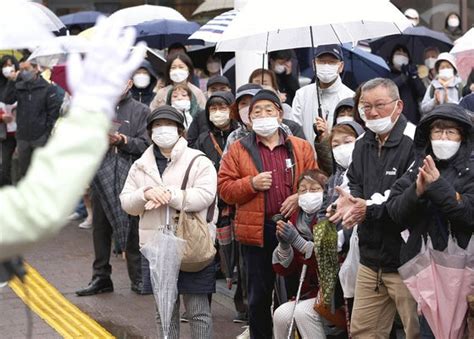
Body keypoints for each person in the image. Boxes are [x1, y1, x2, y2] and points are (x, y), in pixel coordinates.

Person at [0, 17, 146, 261]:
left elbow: (28, 210)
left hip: (123, 170)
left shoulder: (140, 109)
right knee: (101, 223)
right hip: (92, 164)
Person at [218, 89, 317, 338]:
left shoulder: (301, 147)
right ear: (249, 119)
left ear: (280, 115)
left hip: (294, 229)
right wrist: (250, 183)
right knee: (258, 296)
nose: (263, 115)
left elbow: (316, 182)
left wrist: (299, 196)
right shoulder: (238, 149)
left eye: (269, 110)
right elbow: (224, 189)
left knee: (296, 292)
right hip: (257, 231)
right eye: (257, 111)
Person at [328, 78, 419, 337]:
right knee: (363, 332)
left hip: (407, 260)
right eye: (365, 107)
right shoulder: (361, 142)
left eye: (380, 105)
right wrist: (346, 203)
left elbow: (403, 194)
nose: (373, 113)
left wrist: (364, 208)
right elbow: (353, 181)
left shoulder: (415, 142)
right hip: (369, 259)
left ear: (398, 105)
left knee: (418, 332)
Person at [120, 105, 217, 339]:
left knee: (197, 309)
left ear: (180, 130)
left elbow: (205, 195)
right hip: (156, 246)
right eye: (157, 125)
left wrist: (170, 195)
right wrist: (145, 194)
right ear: (150, 131)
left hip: (190, 243)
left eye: (169, 125)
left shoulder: (198, 160)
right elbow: (126, 202)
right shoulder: (140, 164)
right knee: (164, 310)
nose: (163, 130)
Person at [387, 103, 474, 337]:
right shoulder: (418, 167)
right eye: (437, 131)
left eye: (450, 132)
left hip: (465, 274)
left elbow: (468, 214)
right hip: (425, 273)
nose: (443, 137)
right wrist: (416, 191)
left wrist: (437, 186)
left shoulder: (472, 169)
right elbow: (394, 211)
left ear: (462, 136)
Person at [76, 79, 150, 297]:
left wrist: (122, 140)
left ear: (128, 82)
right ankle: (101, 276)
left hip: (131, 175)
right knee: (100, 226)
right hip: (101, 174)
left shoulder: (141, 110)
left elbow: (146, 144)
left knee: (131, 225)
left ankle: (137, 277)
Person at [272, 169, 331, 339]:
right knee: (281, 315)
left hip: (332, 292)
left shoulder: (331, 216)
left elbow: (329, 260)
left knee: (304, 313)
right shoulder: (295, 219)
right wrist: (284, 245)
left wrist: (299, 242)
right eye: (303, 190)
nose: (308, 194)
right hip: (308, 291)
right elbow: (285, 270)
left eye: (314, 189)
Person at [3, 59, 61, 178]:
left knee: (42, 172)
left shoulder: (46, 88)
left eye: (27, 69)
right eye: (21, 69)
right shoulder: (19, 86)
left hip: (40, 137)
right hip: (23, 137)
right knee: (24, 173)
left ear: (35, 69)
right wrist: (11, 81)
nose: (24, 72)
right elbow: (7, 99)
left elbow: (53, 113)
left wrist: (46, 133)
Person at [292, 44, 354, 144]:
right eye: (321, 61)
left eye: (332, 62)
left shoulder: (351, 97)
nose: (326, 66)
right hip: (307, 157)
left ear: (341, 66)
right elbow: (295, 130)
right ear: (314, 64)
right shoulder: (302, 95)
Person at [224, 84, 305, 153]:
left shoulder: (285, 129)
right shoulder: (234, 137)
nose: (248, 108)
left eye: (253, 102)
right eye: (243, 103)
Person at [186, 75, 233, 148]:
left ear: (230, 90)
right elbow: (191, 143)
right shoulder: (200, 117)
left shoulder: (239, 132)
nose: (218, 92)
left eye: (222, 89)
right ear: (207, 92)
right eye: (213, 90)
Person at [387, 44, 426, 125]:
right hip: (392, 118)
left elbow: (422, 92)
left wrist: (414, 77)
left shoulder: (412, 75)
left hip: (412, 119)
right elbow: (389, 89)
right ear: (392, 57)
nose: (402, 56)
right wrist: (403, 77)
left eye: (404, 54)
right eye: (398, 53)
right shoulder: (387, 74)